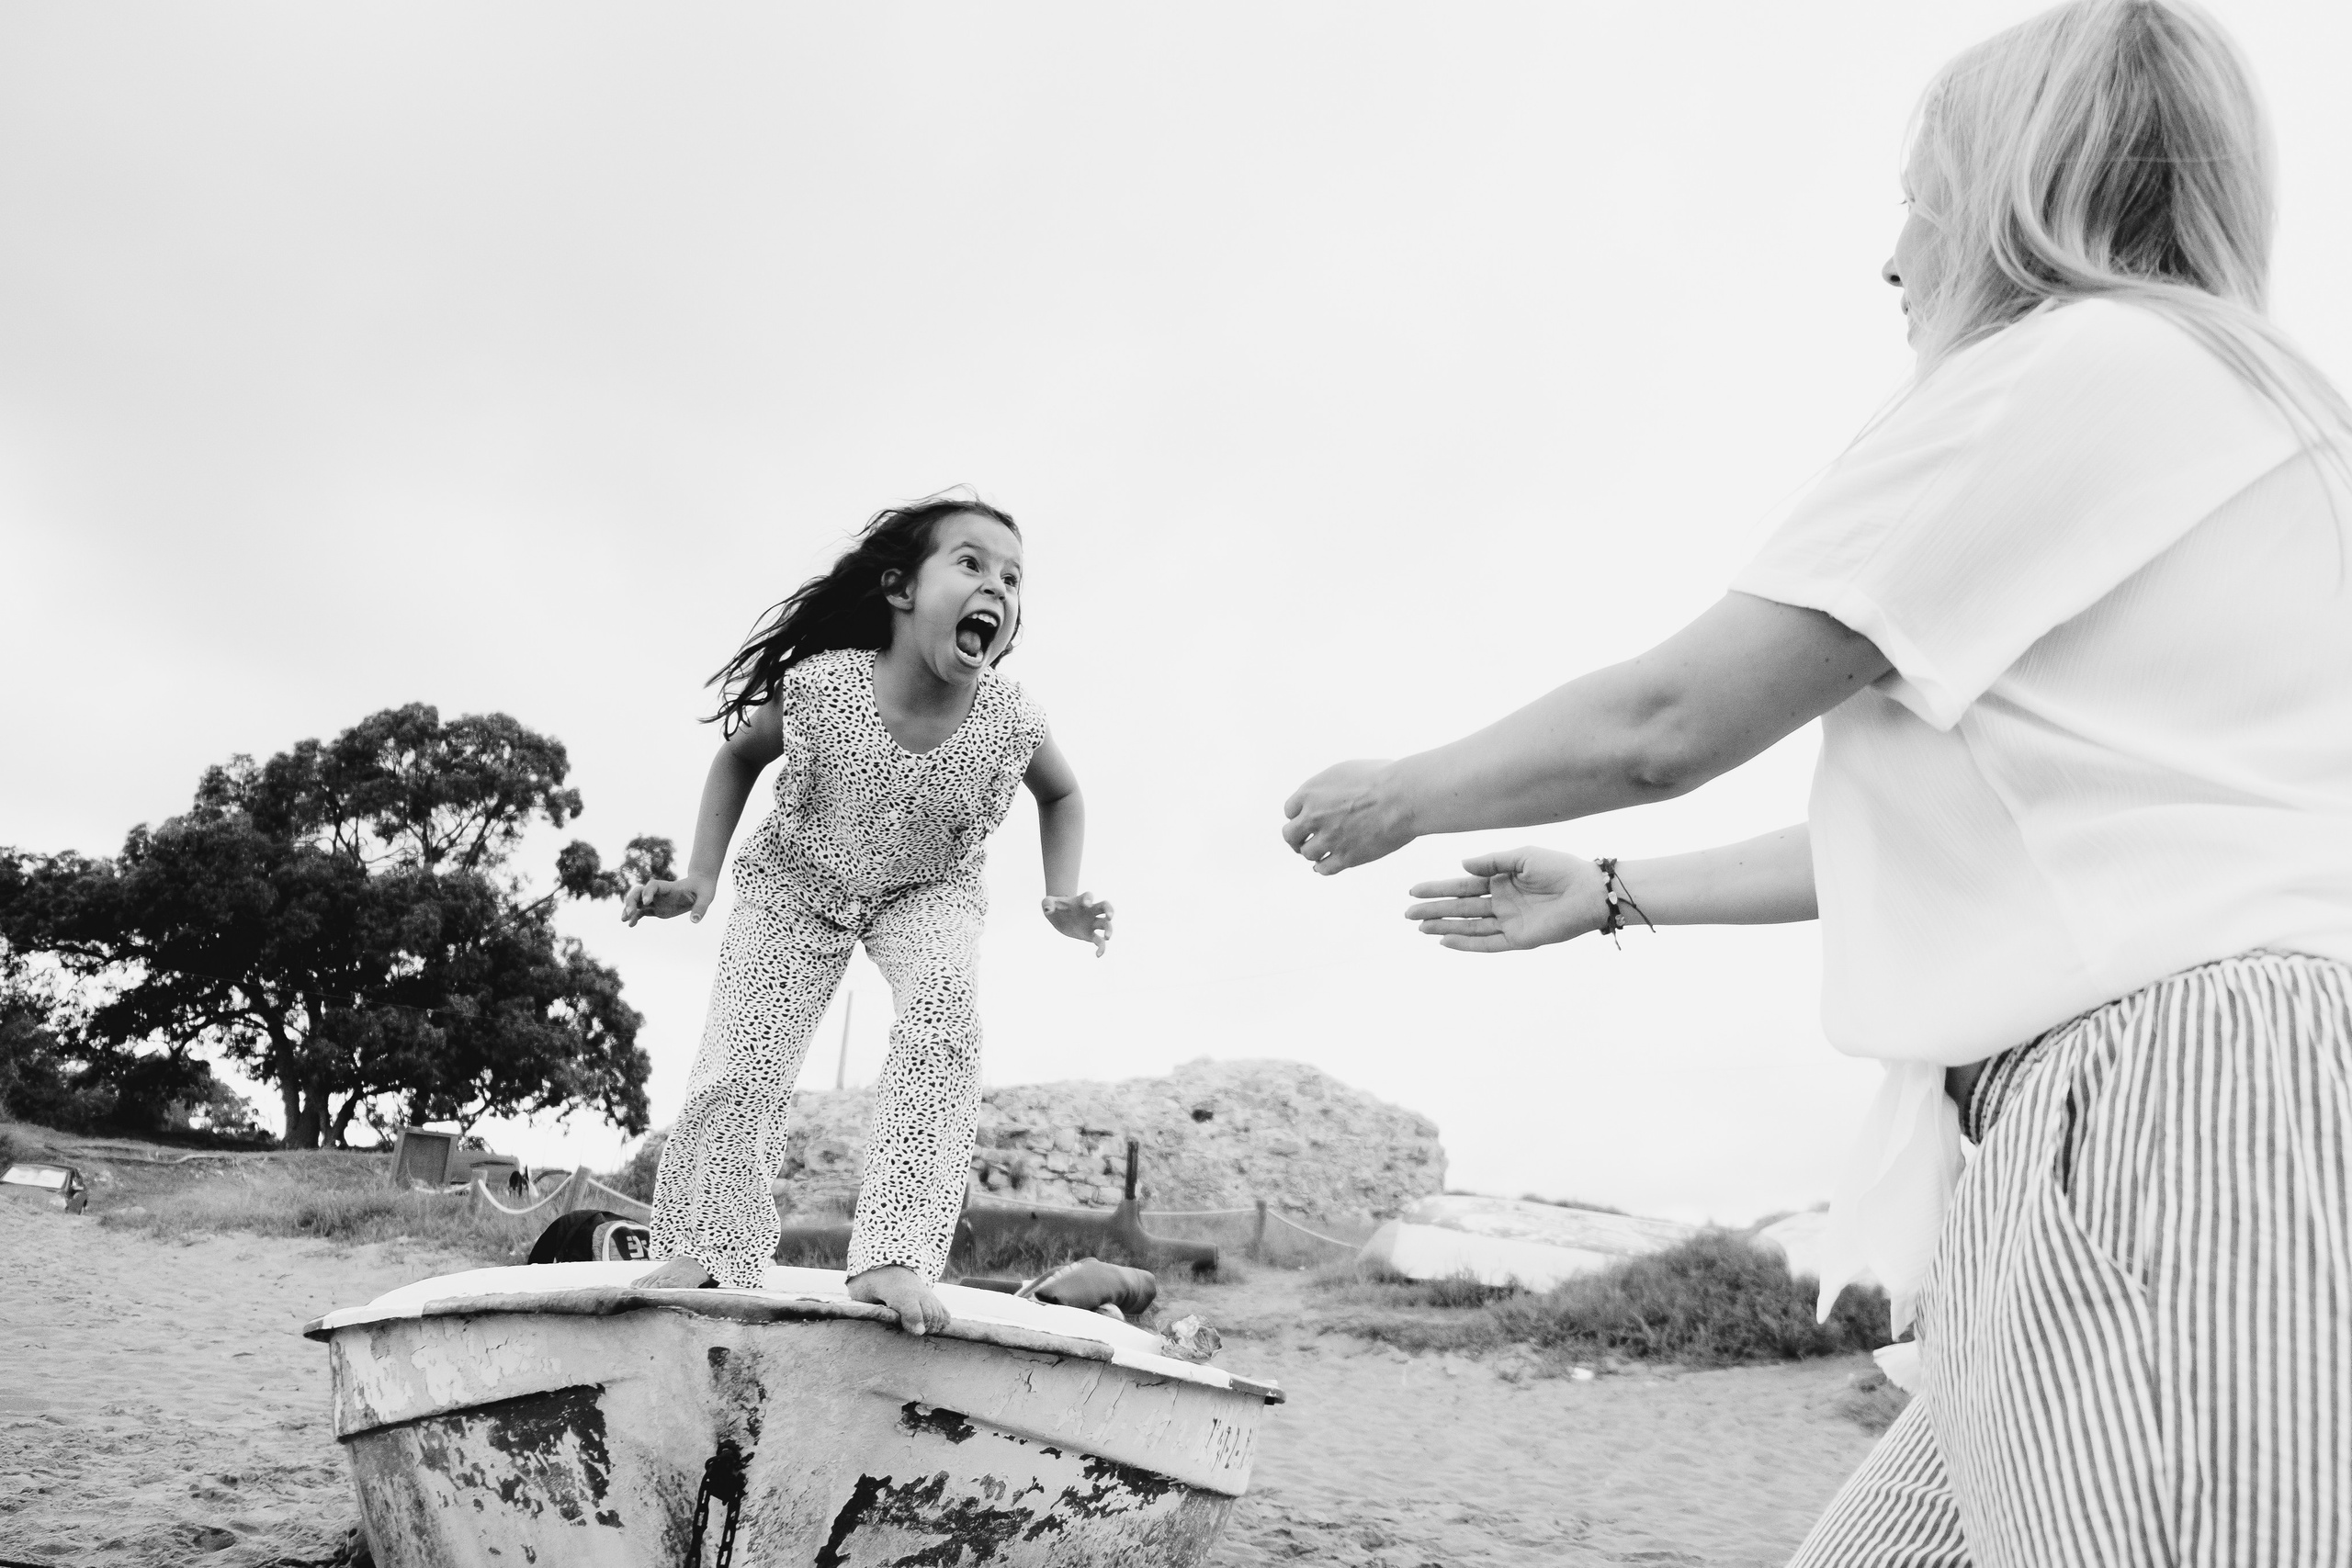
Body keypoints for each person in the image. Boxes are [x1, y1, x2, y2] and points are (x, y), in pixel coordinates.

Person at [1283, 2, 2352, 1562]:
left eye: (1924, 192)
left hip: (2162, 1120)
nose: (1895, 252)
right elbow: (1962, 831)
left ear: (2014, 189)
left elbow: (1669, 716)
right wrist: (1618, 894)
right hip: (2158, 1118)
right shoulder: (2255, 431)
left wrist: (1406, 789)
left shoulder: (2079, 368)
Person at [624, 492, 1113, 1336]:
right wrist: (699, 880)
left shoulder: (1010, 717)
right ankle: (707, 1241)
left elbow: (1062, 794)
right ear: (900, 589)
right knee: (745, 1053)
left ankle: (894, 1253)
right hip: (798, 880)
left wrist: (1062, 893)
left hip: (930, 887)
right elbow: (737, 757)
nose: (997, 586)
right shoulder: (824, 688)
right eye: (970, 563)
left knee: (944, 1027)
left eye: (1012, 577)